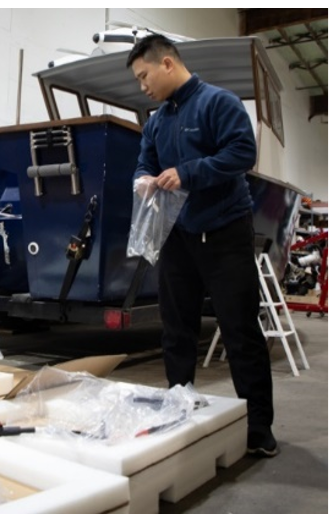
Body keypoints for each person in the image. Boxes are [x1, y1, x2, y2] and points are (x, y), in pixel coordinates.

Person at [127, 34, 277, 457]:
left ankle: (258, 429)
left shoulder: (218, 103)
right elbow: (146, 160)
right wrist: (142, 178)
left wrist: (189, 173)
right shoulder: (156, 120)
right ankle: (179, 412)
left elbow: (242, 152)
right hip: (177, 236)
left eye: (144, 76)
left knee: (240, 331)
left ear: (168, 64)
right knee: (176, 330)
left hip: (225, 232)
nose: (143, 87)